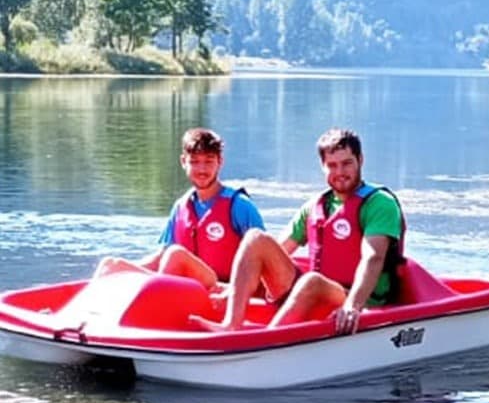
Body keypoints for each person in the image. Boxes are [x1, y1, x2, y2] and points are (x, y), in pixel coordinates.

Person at [193, 127, 404, 335]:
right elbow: (279, 250)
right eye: (332, 165)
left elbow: (373, 258)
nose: (339, 172)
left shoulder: (379, 204)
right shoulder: (317, 206)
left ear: (360, 160)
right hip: (314, 292)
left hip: (359, 300)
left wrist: (352, 305)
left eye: (346, 163)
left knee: (311, 281)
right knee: (255, 239)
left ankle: (267, 343)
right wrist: (235, 290)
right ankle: (231, 324)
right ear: (323, 166)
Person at [95, 128, 265, 291]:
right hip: (188, 288)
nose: (202, 169)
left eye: (209, 161)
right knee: (111, 264)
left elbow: (263, 260)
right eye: (195, 162)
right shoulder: (180, 207)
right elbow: (160, 257)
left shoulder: (240, 205)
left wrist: (236, 292)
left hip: (224, 289)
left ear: (220, 161)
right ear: (183, 162)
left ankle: (156, 305)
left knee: (176, 254)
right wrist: (124, 270)